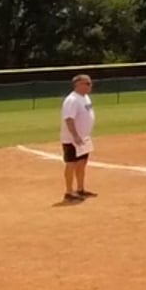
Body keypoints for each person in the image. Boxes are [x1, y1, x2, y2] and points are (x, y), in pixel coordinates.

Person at [59, 74, 97, 204]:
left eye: (90, 83)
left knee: (82, 163)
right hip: (72, 139)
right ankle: (69, 192)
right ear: (78, 85)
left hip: (84, 138)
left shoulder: (85, 97)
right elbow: (69, 119)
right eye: (87, 83)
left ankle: (80, 189)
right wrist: (75, 135)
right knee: (71, 164)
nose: (90, 86)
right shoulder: (72, 100)